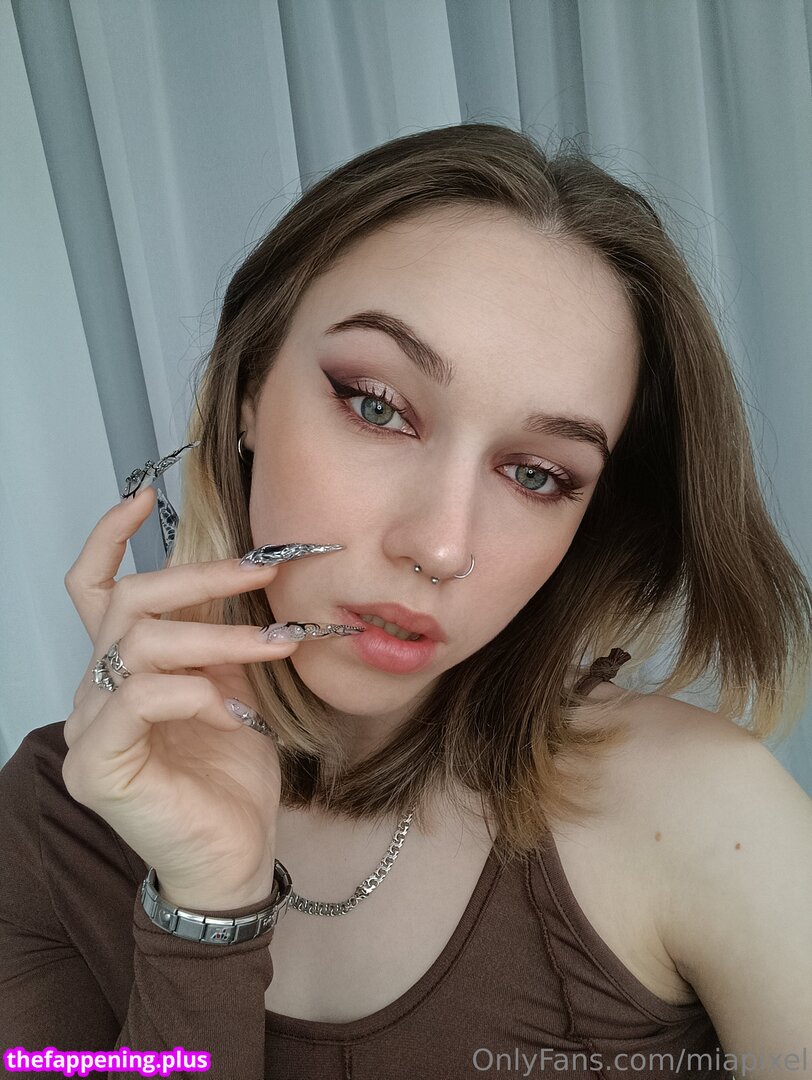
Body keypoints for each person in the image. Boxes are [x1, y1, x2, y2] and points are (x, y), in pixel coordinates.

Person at [1, 122, 810, 1080]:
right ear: (248, 388)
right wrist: (205, 913)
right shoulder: (55, 816)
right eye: (378, 407)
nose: (439, 545)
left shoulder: (705, 812)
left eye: (538, 474)